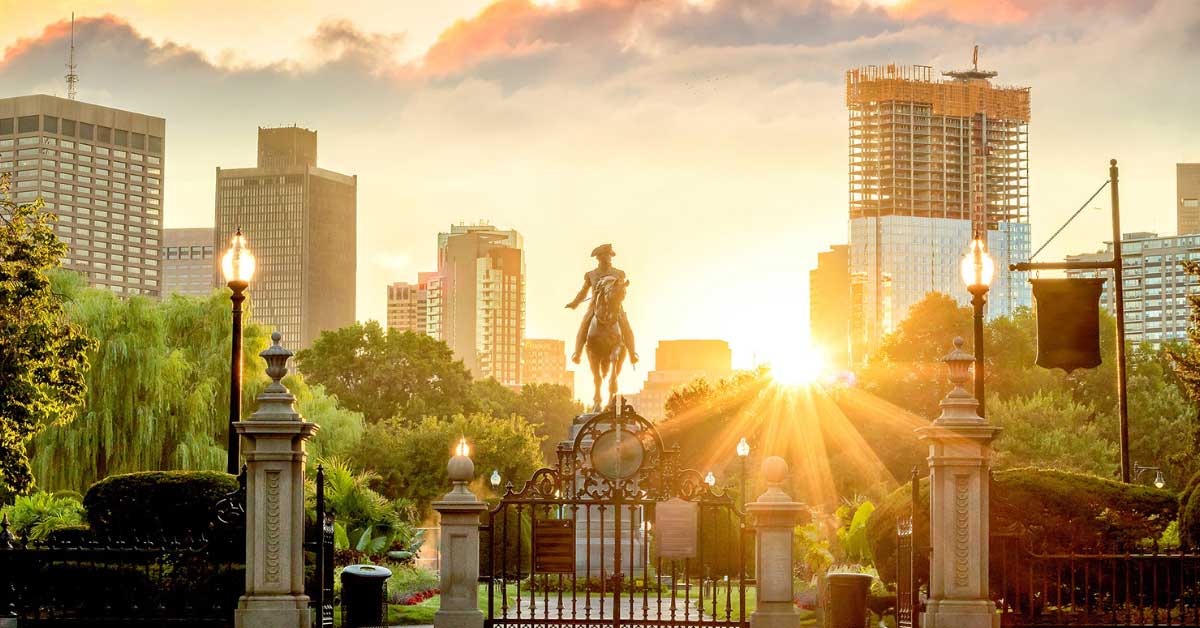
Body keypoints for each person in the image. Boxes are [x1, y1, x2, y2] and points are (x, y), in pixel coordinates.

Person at [566, 243, 638, 365]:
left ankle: (632, 354)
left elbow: (622, 290)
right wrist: (574, 303)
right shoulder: (591, 275)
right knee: (584, 324)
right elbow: (583, 292)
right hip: (595, 306)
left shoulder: (618, 273)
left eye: (610, 255)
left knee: (626, 325)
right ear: (599, 257)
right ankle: (577, 354)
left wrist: (619, 296)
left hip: (615, 306)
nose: (609, 257)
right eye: (606, 255)